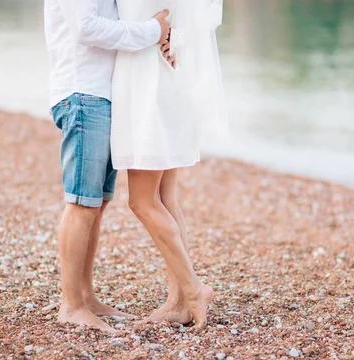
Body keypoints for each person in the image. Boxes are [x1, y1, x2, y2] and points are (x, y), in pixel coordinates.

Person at [44, 0, 173, 333]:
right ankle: (71, 305)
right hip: (83, 94)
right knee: (81, 204)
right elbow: (86, 28)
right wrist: (151, 30)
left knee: (97, 204)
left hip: (103, 96)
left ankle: (86, 296)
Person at [111, 0, 227, 330]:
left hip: (148, 83)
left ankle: (193, 289)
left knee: (142, 201)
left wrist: (171, 35)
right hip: (164, 79)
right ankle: (178, 303)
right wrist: (176, 37)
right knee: (164, 198)